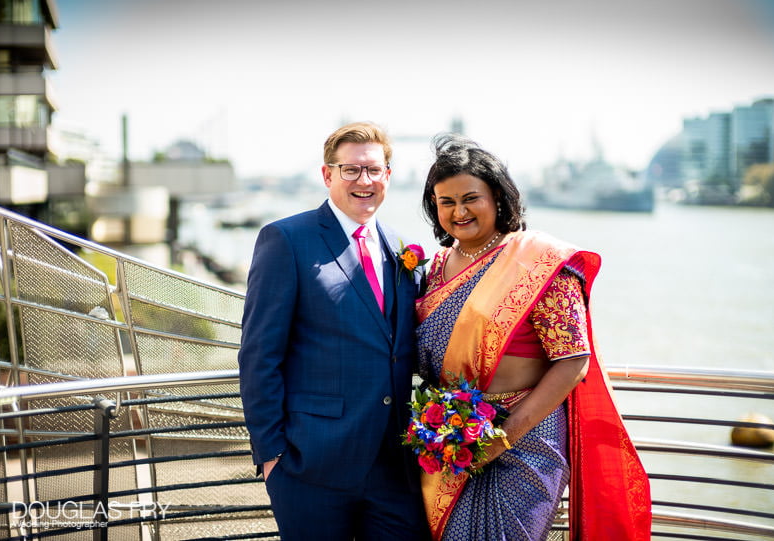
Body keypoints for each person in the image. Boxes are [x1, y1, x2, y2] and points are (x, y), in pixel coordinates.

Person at [414, 134, 651, 540]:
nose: (459, 211)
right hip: (447, 440)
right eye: (446, 202)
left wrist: (503, 437)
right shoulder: (431, 268)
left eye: (471, 198)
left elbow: (574, 361)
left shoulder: (537, 262)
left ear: (498, 198)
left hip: (526, 441)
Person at [238, 121, 428, 540]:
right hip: (311, 465)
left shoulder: (402, 248)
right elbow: (258, 355)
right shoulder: (286, 239)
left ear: (388, 177)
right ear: (328, 174)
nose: (365, 180)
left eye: (374, 170)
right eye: (351, 170)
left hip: (394, 467)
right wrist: (273, 457)